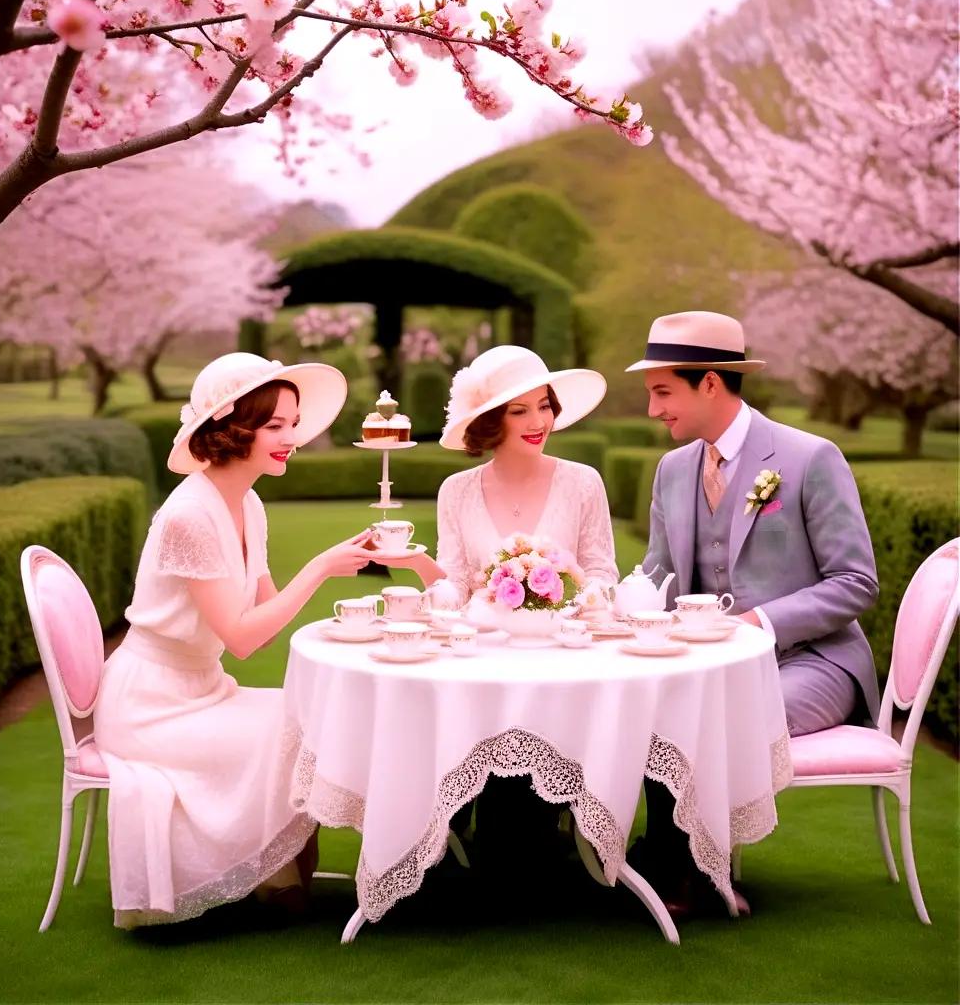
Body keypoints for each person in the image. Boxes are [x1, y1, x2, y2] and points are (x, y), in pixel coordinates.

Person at [95, 352, 374, 928]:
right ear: (230, 430)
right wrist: (321, 567)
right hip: (153, 707)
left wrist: (350, 613)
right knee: (293, 732)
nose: (290, 437)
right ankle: (285, 890)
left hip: (205, 688)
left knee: (308, 717)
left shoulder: (246, 501)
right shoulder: (189, 515)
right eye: (274, 425)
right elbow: (245, 640)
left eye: (292, 423)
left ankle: (287, 882)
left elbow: (262, 612)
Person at [627, 310, 879, 915]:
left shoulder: (809, 457)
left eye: (663, 392)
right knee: (645, 699)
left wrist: (756, 625)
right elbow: (659, 574)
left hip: (810, 661)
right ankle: (663, 861)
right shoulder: (672, 469)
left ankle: (689, 874)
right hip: (708, 665)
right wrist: (614, 604)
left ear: (710, 382)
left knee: (720, 712)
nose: (654, 409)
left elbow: (857, 582)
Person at [372, 344, 620, 871]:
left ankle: (543, 831)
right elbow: (454, 588)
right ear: (490, 420)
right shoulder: (456, 490)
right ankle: (450, 828)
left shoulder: (583, 482)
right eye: (519, 410)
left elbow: (602, 576)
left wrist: (579, 584)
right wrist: (419, 570)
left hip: (559, 663)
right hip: (483, 660)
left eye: (544, 405)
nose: (539, 421)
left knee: (521, 831)